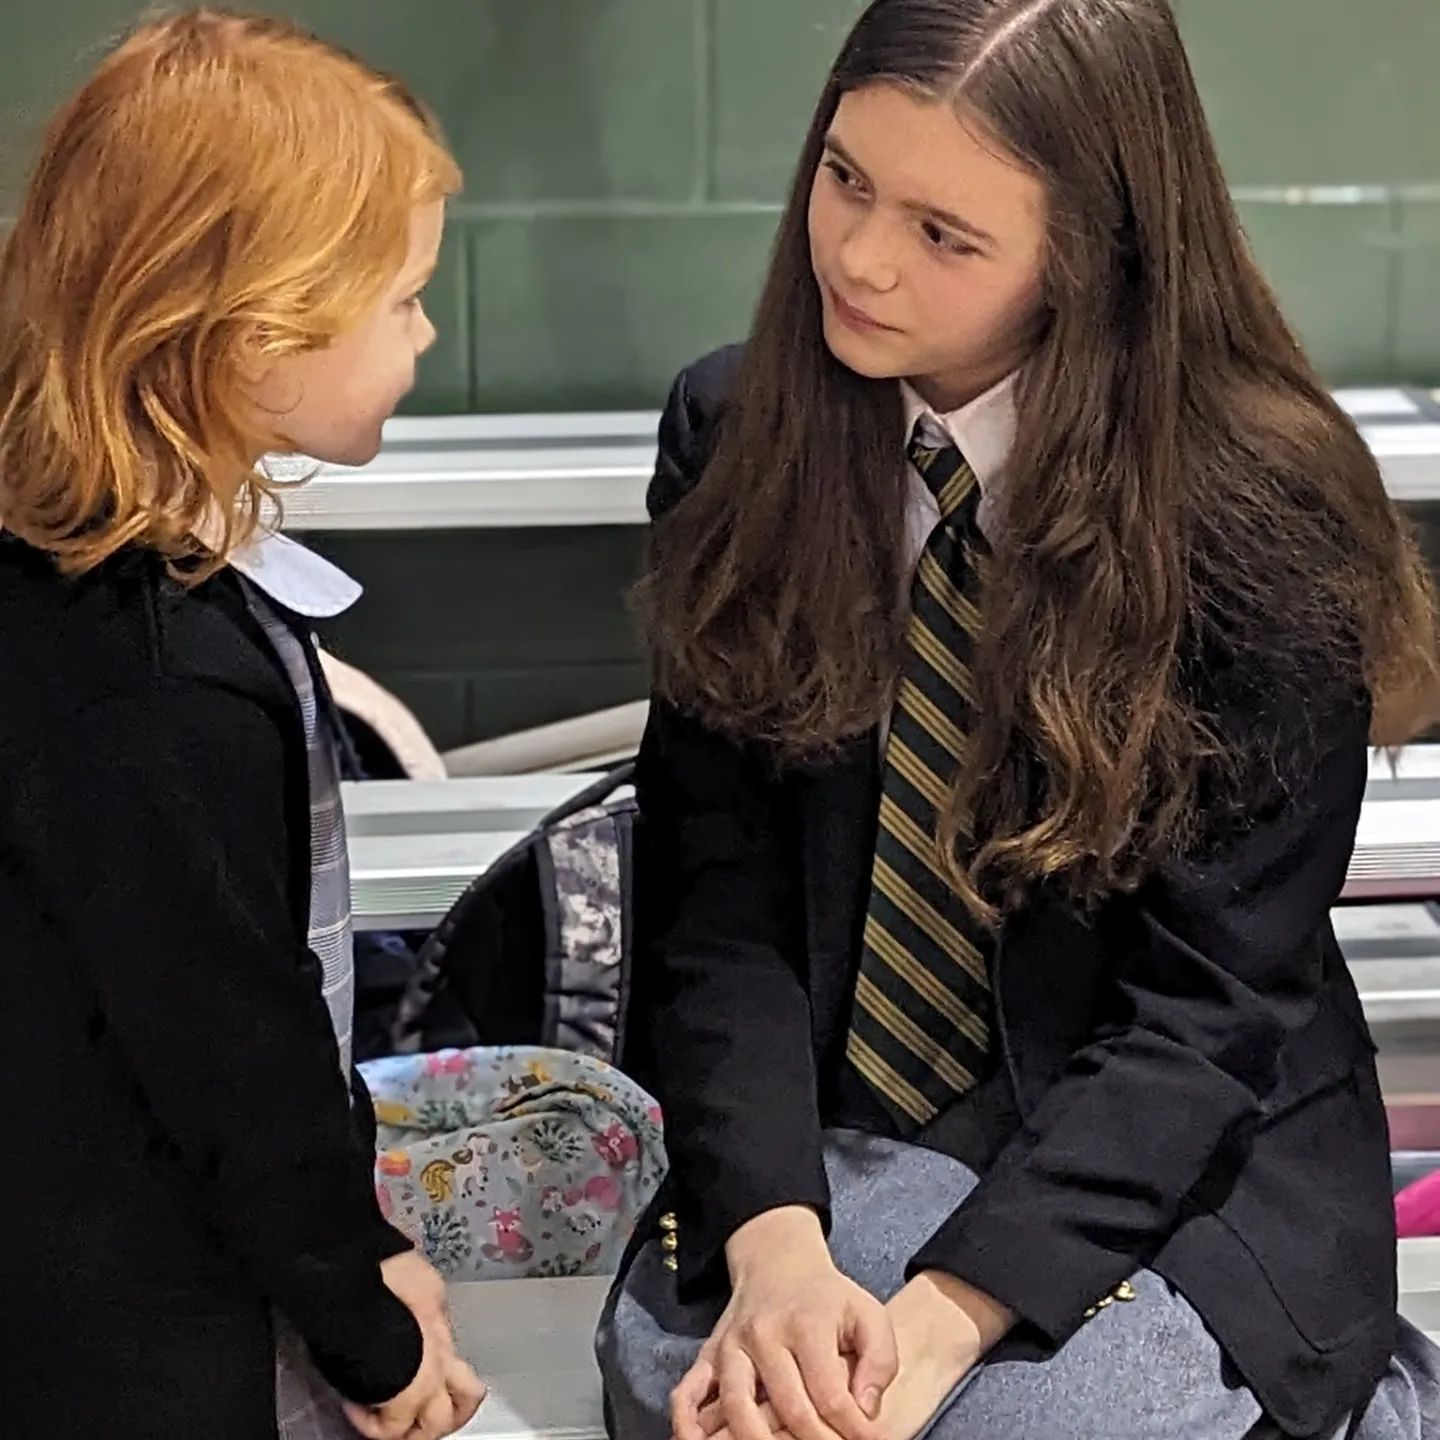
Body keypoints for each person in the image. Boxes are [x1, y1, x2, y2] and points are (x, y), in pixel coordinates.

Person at [595, 1, 1440, 1437]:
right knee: (705, 1402)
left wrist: (946, 1319)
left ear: (1091, 256)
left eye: (946, 234)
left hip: (1160, 1151)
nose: (859, 258)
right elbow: (713, 910)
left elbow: (1206, 1017)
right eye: (847, 178)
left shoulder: (1255, 509)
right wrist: (776, 1251)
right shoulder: (740, 431)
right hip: (835, 1132)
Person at [0, 11, 485, 1439]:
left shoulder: (85, 580)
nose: (427, 330)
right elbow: (231, 1053)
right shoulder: (149, 680)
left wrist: (367, 1255)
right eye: (402, 299)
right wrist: (370, 1332)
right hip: (130, 1340)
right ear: (261, 331)